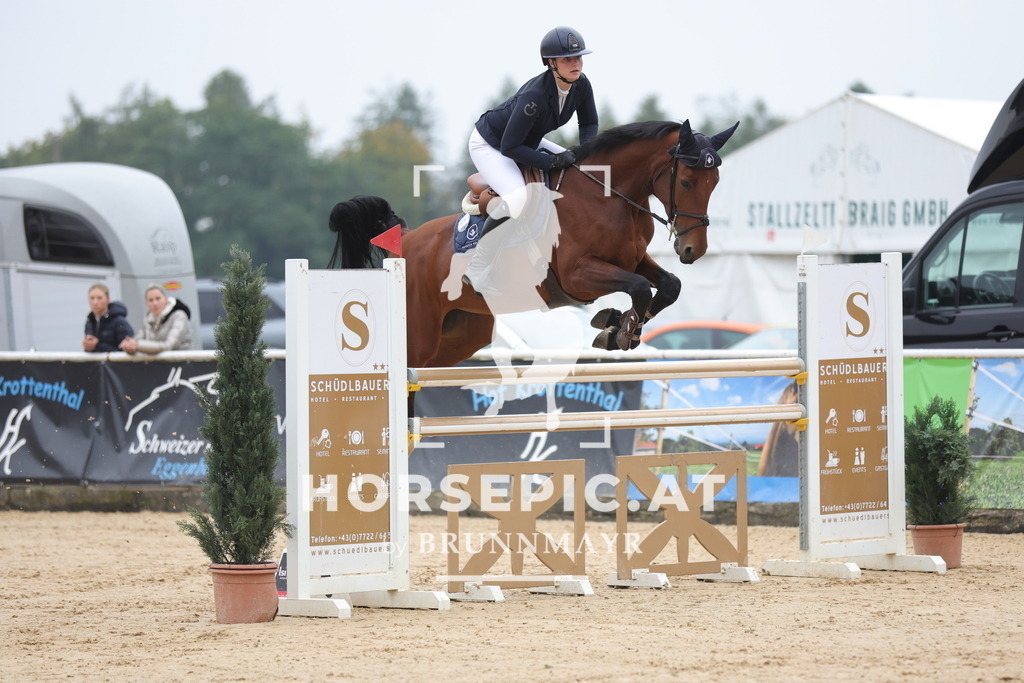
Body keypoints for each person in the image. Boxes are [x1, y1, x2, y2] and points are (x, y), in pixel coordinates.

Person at [469, 25, 598, 234]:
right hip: (490, 144)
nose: (576, 63)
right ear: (551, 63)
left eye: (578, 57)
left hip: (526, 140)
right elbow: (509, 147)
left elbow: (589, 123)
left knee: (580, 172)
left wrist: (586, 154)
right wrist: (553, 162)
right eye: (567, 59)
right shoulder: (535, 96)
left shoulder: (581, 85)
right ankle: (482, 259)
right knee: (519, 199)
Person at [120, 285, 193, 354]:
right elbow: (137, 340)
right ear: (146, 303)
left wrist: (137, 345)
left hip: (181, 364)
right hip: (156, 365)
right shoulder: (148, 319)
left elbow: (169, 345)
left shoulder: (179, 316)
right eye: (151, 300)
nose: (155, 303)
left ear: (166, 299)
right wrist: (129, 346)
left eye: (158, 298)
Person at [82, 283, 134, 352]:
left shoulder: (119, 321)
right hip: (95, 362)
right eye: (92, 298)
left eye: (99, 298)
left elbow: (125, 351)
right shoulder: (90, 321)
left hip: (115, 362)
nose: (95, 302)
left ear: (108, 299)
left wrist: (97, 346)